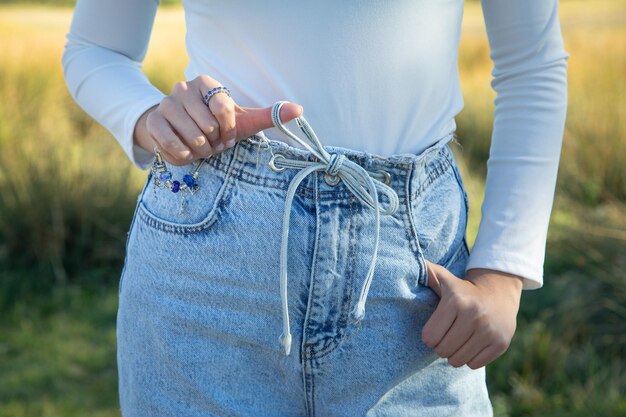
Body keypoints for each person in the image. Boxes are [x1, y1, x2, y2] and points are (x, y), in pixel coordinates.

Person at [62, 0, 569, 415]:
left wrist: (504, 273)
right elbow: (95, 48)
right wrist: (151, 117)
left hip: (416, 291)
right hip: (206, 272)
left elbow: (532, 64)